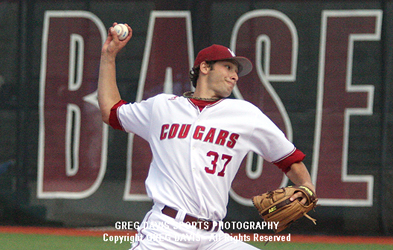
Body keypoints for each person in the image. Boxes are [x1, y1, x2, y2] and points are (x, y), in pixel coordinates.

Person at [98, 23, 316, 250]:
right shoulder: (162, 107)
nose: (234, 76)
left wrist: (307, 186)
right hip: (165, 231)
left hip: (214, 236)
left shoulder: (245, 114)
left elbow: (289, 158)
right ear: (204, 67)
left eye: (236, 71)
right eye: (228, 67)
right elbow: (111, 111)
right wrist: (109, 56)